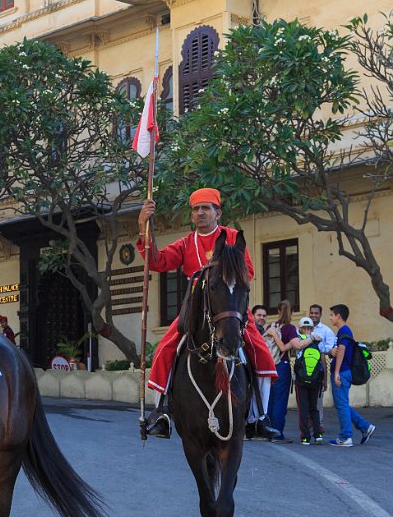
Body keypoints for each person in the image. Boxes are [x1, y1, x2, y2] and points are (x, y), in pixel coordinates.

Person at [137, 188, 278, 438]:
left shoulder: (233, 237)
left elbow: (248, 272)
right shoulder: (185, 243)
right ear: (192, 215)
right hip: (194, 309)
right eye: (195, 209)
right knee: (164, 349)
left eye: (206, 208)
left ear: (218, 213)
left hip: (229, 307)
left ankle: (257, 417)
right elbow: (157, 262)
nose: (200, 213)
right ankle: (163, 412)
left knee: (262, 353)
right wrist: (143, 226)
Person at [327, 304, 376, 447]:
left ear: (338, 316)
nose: (330, 318)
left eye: (331, 315)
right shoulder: (343, 332)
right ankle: (365, 427)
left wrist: (336, 373)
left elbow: (341, 350)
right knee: (342, 404)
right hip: (343, 372)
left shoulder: (344, 331)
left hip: (342, 372)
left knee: (341, 405)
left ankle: (345, 437)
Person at [264, 300, 299, 442]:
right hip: (282, 365)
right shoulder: (290, 328)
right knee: (280, 401)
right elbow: (284, 348)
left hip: (269, 366)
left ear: (278, 311)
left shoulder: (270, 327)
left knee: (270, 400)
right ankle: (278, 434)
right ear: (290, 312)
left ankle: (269, 431)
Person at [288, 318, 325, 445]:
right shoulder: (318, 339)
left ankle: (305, 436)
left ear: (300, 328)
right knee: (314, 408)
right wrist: (324, 380)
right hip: (316, 380)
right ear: (312, 328)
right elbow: (323, 361)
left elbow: (289, 348)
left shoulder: (298, 339)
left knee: (303, 409)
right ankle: (318, 434)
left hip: (301, 380)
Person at [308, 303, 336, 426]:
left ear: (320, 315)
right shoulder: (303, 328)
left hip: (318, 367)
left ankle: (319, 424)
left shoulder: (327, 331)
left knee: (318, 399)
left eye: (316, 313)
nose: (313, 315)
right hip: (303, 369)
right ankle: (306, 425)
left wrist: (318, 347)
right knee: (304, 400)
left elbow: (330, 350)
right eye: (312, 313)